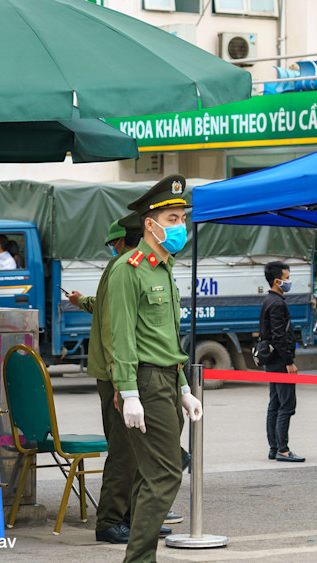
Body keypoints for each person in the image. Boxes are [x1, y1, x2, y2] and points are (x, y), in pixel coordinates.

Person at [108, 175, 203, 562]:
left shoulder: (163, 267)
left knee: (152, 474)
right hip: (145, 381)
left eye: (183, 218)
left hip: (166, 378)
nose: (181, 226)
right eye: (172, 219)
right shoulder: (129, 269)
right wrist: (128, 392)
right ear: (150, 224)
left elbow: (166, 338)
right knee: (166, 473)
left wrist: (183, 388)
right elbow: (122, 337)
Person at [68, 217, 145, 544]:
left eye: (113, 243)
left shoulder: (134, 267)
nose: (112, 249)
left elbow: (102, 307)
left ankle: (133, 517)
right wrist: (120, 383)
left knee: (138, 451)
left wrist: (80, 301)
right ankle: (111, 521)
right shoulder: (122, 268)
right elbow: (115, 330)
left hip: (130, 374)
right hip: (120, 375)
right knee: (124, 451)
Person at [260, 261, 304, 462]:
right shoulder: (277, 303)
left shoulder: (268, 300)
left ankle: (274, 448)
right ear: (277, 281)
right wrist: (289, 362)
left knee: (275, 404)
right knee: (286, 406)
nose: (289, 281)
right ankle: (283, 450)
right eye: (286, 278)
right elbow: (279, 336)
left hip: (272, 362)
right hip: (280, 362)